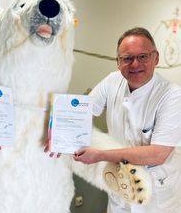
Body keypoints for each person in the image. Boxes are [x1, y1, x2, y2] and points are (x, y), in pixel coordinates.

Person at [73, 27, 181, 213]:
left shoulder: (172, 95)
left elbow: (158, 154)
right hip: (121, 187)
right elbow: (80, 116)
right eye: (127, 58)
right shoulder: (112, 82)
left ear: (156, 58)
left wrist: (100, 155)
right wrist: (57, 137)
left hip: (157, 196)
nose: (135, 64)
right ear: (118, 62)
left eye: (143, 57)